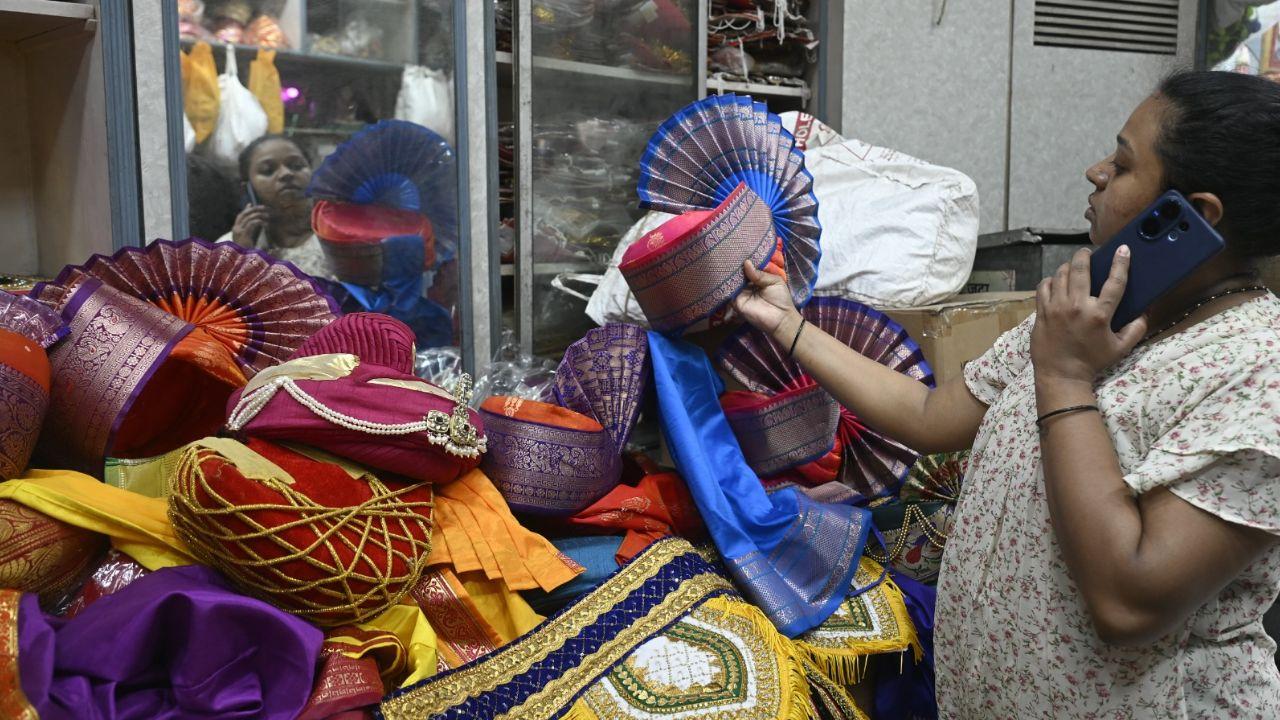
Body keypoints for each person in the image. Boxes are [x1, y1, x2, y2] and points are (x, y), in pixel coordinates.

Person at [733, 70, 1280, 718]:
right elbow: (929, 415)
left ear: (1195, 216)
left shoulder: (1256, 371)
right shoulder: (1083, 312)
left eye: (1124, 163)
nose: (1094, 171)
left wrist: (1066, 377)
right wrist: (786, 324)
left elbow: (1128, 600)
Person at [217, 134, 334, 280]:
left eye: (297, 166)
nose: (286, 174)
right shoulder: (230, 246)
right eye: (268, 170)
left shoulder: (339, 235)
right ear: (247, 187)